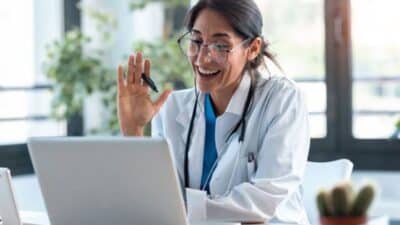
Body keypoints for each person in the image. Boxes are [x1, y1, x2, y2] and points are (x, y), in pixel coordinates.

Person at [117, 0, 310, 224]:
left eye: (220, 45)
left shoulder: (281, 100)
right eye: (197, 41)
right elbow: (153, 200)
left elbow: (265, 201)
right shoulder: (172, 108)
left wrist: (185, 207)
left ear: (253, 48)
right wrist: (134, 131)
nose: (202, 58)